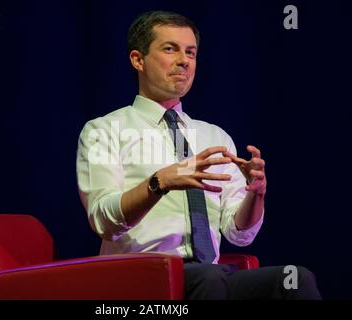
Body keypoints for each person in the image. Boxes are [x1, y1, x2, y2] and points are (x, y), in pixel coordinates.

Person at [76, 10, 321, 299]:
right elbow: (104, 221)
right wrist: (160, 182)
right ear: (137, 60)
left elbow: (238, 234)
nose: (184, 60)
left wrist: (256, 194)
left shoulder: (215, 137)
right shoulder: (104, 130)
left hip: (208, 274)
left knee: (294, 280)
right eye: (170, 49)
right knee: (210, 277)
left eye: (190, 52)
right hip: (138, 279)